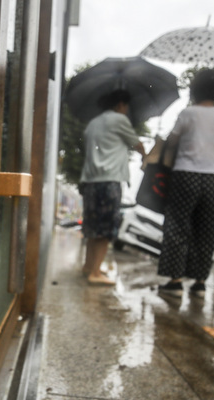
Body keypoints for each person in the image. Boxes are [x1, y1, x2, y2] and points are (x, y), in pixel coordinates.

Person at [157, 69, 214, 298]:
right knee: (206, 230)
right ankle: (200, 282)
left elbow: (172, 143)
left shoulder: (187, 113)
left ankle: (175, 280)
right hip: (211, 178)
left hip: (183, 175)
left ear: (196, 88)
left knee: (178, 227)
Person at [80, 89, 145, 285]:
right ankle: (95, 274)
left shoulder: (93, 123)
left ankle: (89, 267)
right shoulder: (119, 120)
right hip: (109, 180)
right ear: (120, 105)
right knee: (106, 228)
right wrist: (144, 155)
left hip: (89, 181)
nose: (126, 110)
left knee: (92, 227)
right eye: (126, 107)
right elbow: (137, 144)